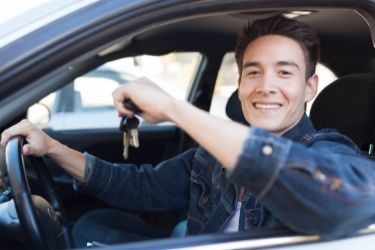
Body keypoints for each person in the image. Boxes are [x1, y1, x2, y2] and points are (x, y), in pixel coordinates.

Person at [1, 15, 375, 246]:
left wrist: (174, 109)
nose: (266, 86)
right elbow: (141, 187)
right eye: (254, 72)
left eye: (285, 72)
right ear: (240, 83)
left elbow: (351, 199)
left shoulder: (329, 150)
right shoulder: (211, 154)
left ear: (309, 88)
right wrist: (51, 148)